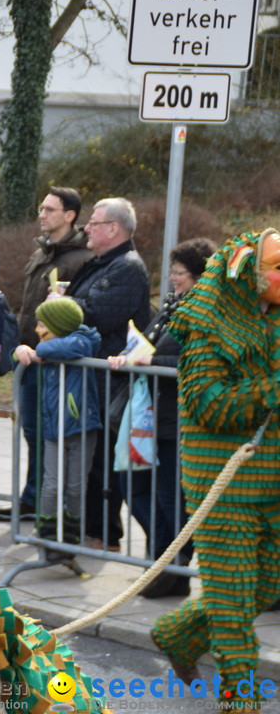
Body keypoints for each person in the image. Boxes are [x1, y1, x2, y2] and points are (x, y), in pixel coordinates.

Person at [150, 229, 280, 709]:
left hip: (274, 481)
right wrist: (273, 388)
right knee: (231, 597)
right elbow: (209, 405)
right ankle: (239, 697)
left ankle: (178, 634)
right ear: (249, 271)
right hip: (223, 484)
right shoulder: (208, 322)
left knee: (266, 583)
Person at [109, 237, 216, 599]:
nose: (173, 278)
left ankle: (174, 569)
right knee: (133, 487)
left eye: (180, 273)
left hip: (177, 418)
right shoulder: (172, 305)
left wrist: (150, 362)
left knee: (171, 497)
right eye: (171, 271)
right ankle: (164, 561)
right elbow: (148, 345)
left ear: (201, 276)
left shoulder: (206, 312)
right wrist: (126, 356)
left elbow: (195, 363)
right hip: (148, 416)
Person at [0, 186, 92, 523]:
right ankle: (33, 498)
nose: (42, 215)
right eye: (41, 208)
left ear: (70, 216)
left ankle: (47, 504)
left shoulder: (80, 258)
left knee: (51, 436)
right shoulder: (42, 253)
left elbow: (75, 316)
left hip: (54, 362)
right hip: (31, 356)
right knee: (32, 431)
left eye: (50, 210)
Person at [62, 197, 151, 551]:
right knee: (93, 460)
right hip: (94, 380)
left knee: (104, 464)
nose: (86, 227)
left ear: (113, 229)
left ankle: (105, 534)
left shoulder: (127, 267)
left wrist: (63, 304)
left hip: (110, 382)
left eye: (94, 222)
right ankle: (92, 530)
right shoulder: (103, 263)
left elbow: (99, 314)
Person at [13, 297, 101, 556]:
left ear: (59, 324)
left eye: (43, 324)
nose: (38, 331)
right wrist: (21, 350)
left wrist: (39, 352)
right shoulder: (47, 346)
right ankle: (48, 535)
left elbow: (75, 344)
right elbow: (16, 355)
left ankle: (71, 534)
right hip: (52, 429)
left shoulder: (82, 341)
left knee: (75, 485)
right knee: (50, 484)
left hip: (80, 426)